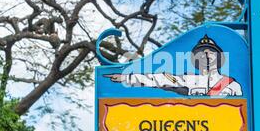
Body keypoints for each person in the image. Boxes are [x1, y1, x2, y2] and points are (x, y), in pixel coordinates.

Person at [104, 35, 242, 96]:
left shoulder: (232, 85)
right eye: (201, 53)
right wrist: (127, 78)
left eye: (211, 52)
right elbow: (160, 79)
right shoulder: (189, 80)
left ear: (219, 57)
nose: (206, 55)